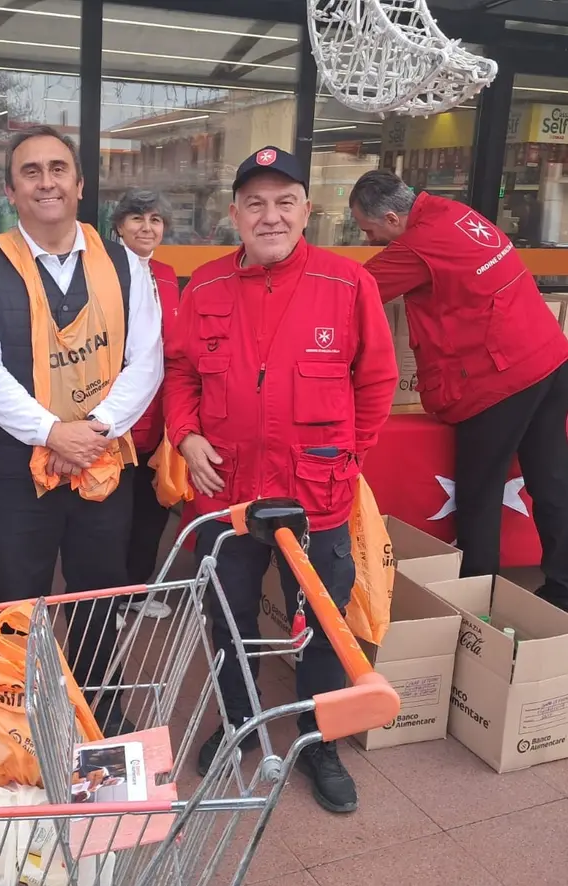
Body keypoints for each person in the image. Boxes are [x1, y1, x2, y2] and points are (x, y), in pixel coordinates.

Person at [164, 147, 396, 812]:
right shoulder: (203, 286)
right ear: (235, 214)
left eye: (284, 202)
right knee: (228, 618)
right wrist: (186, 434)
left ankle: (318, 740)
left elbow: (376, 379)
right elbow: (180, 372)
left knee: (323, 621)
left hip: (315, 495)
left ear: (305, 212)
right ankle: (240, 721)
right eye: (256, 203)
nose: (270, 216)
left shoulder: (348, 283)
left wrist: (351, 459)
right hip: (226, 491)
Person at [0, 125, 163, 737]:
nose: (47, 182)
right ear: (11, 190)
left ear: (79, 183)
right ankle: (22, 708)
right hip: (16, 470)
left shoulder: (125, 262)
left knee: (98, 593)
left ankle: (98, 701)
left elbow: (145, 359)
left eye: (58, 169)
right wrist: (50, 432)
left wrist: (95, 430)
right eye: (31, 172)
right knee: (19, 597)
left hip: (102, 462)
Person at [349, 171, 568, 607]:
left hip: (499, 376)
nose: (371, 239)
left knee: (478, 493)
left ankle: (474, 603)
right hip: (549, 357)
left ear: (393, 218)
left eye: (369, 230)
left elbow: (351, 292)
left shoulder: (417, 245)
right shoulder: (457, 213)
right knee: (552, 481)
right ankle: (562, 589)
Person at [111, 189, 180, 619]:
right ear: (118, 225)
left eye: (155, 219)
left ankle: (137, 591)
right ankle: (109, 596)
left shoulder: (169, 274)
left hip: (161, 411)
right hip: (117, 411)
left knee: (152, 508)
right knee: (111, 515)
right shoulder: (102, 270)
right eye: (137, 218)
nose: (146, 227)